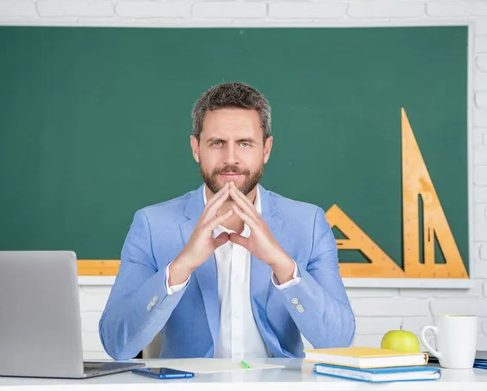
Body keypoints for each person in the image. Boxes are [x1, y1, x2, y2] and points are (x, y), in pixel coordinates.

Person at [99, 82, 355, 360]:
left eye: (245, 144)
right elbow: (117, 344)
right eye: (217, 143)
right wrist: (181, 266)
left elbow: (338, 342)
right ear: (196, 148)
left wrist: (282, 265)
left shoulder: (309, 223)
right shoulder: (152, 225)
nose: (231, 159)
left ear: (266, 150)